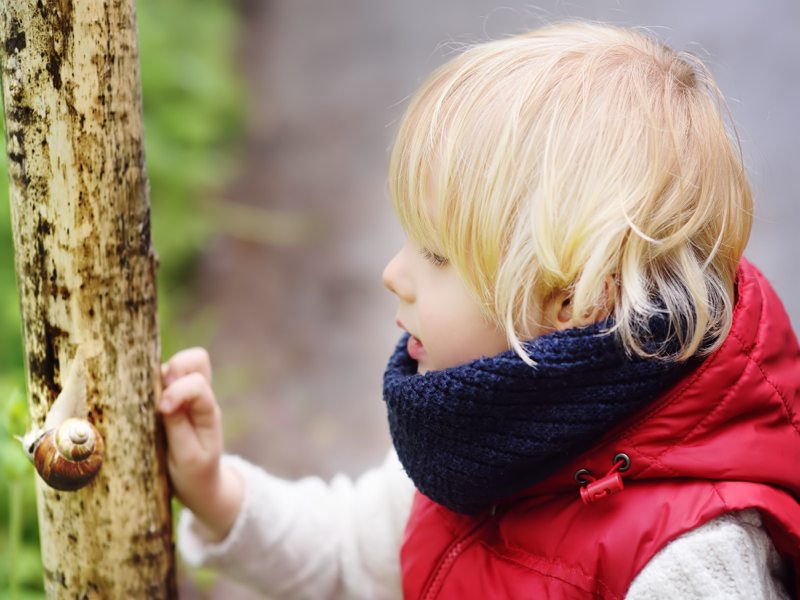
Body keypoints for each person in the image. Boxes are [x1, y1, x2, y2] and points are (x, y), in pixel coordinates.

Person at [158, 22, 800, 599]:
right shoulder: (478, 440)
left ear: (574, 302)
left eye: (436, 256)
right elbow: (353, 552)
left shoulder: (684, 566)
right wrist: (216, 492)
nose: (393, 274)